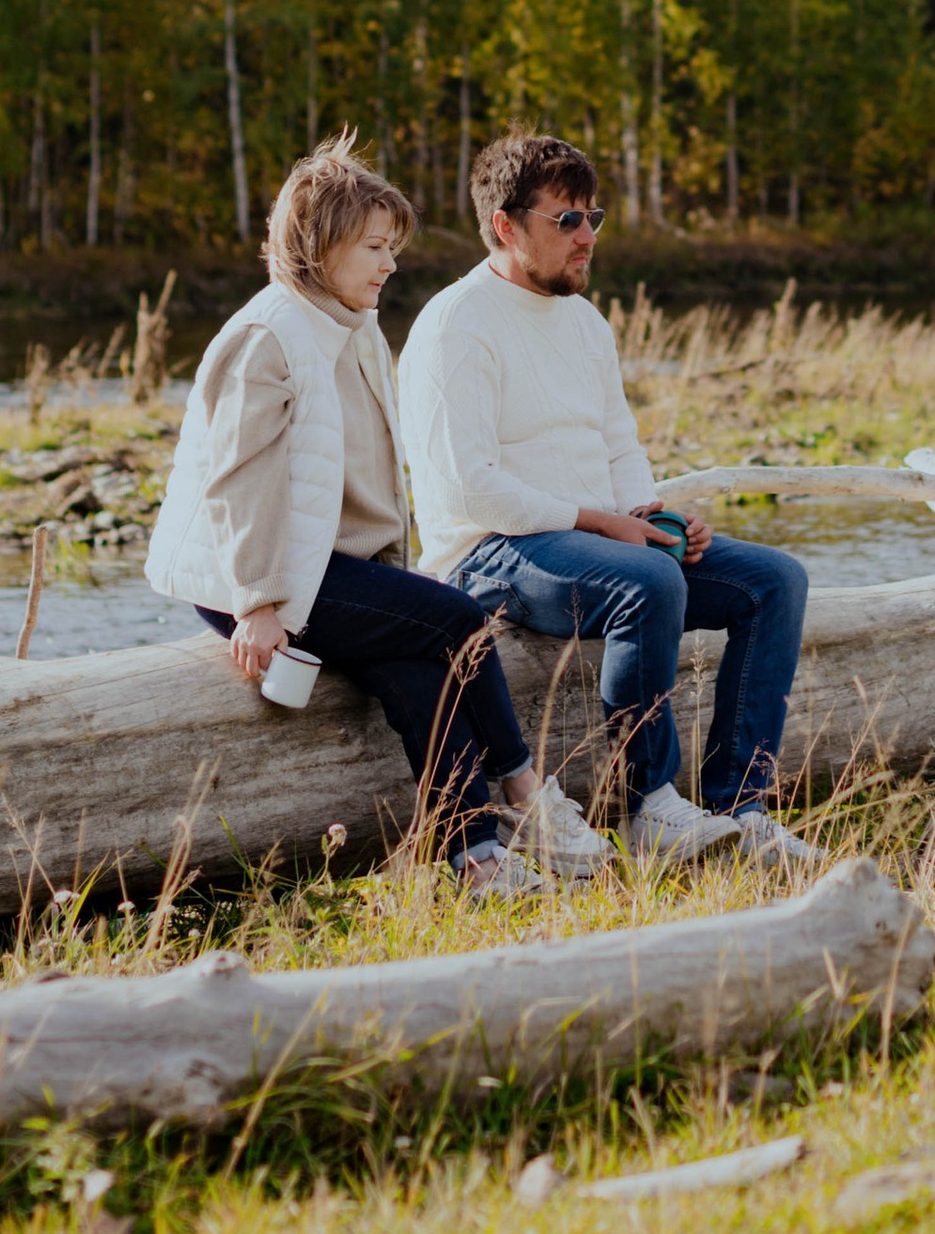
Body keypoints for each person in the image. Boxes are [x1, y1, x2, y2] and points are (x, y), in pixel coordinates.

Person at [144, 130, 612, 898]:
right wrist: (257, 601)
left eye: (392, 245)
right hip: (257, 576)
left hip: (326, 569)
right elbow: (238, 482)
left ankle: (475, 861)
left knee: (416, 666)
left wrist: (388, 581)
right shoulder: (267, 336)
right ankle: (528, 797)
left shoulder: (352, 328)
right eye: (373, 247)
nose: (391, 264)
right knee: (459, 622)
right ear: (320, 246)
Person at [398, 131, 822, 872]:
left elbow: (619, 445)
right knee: (648, 580)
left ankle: (738, 806)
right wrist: (602, 523)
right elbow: (468, 486)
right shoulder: (454, 325)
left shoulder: (585, 322)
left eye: (595, 216)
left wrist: (655, 517)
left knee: (772, 581)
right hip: (490, 552)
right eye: (568, 220)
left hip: (594, 541)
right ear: (506, 225)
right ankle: (650, 806)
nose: (588, 236)